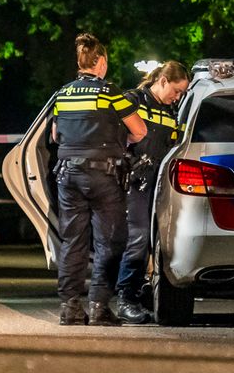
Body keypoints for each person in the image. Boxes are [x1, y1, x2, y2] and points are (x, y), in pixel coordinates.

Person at [52, 33, 148, 326]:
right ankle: (98, 307)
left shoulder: (63, 93)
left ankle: (69, 307)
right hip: (103, 175)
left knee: (72, 241)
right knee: (109, 242)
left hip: (68, 175)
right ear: (101, 61)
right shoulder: (109, 92)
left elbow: (56, 136)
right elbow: (140, 131)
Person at [114, 61, 189, 323]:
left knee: (153, 241)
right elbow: (112, 134)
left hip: (160, 184)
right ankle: (126, 298)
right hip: (135, 182)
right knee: (138, 238)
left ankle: (140, 292)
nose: (177, 97)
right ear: (164, 81)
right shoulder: (134, 100)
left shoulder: (171, 112)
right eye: (176, 91)